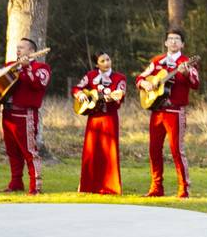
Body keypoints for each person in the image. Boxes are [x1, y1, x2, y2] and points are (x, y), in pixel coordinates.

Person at [0, 37, 51, 195]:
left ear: (31, 51)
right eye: (17, 47)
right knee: (12, 151)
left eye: (22, 47)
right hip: (7, 113)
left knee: (29, 151)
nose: (18, 50)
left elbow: (38, 84)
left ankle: (36, 186)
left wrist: (27, 69)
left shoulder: (42, 67)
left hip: (25, 114)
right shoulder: (11, 66)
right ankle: (15, 183)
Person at [136, 28, 199, 198]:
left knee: (176, 150)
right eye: (170, 39)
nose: (173, 42)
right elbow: (140, 78)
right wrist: (145, 84)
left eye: (177, 39)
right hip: (156, 111)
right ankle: (156, 188)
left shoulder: (187, 61)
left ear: (182, 44)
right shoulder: (157, 61)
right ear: (165, 43)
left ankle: (184, 189)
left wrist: (185, 73)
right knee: (154, 149)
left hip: (175, 111)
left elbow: (195, 82)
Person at [73, 51, 126, 195]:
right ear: (97, 64)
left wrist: (113, 97)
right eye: (102, 61)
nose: (106, 62)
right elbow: (77, 88)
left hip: (110, 118)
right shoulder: (90, 76)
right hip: (94, 119)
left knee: (110, 151)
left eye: (108, 59)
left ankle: (111, 186)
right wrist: (81, 94)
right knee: (91, 151)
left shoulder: (119, 78)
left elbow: (120, 94)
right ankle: (87, 186)